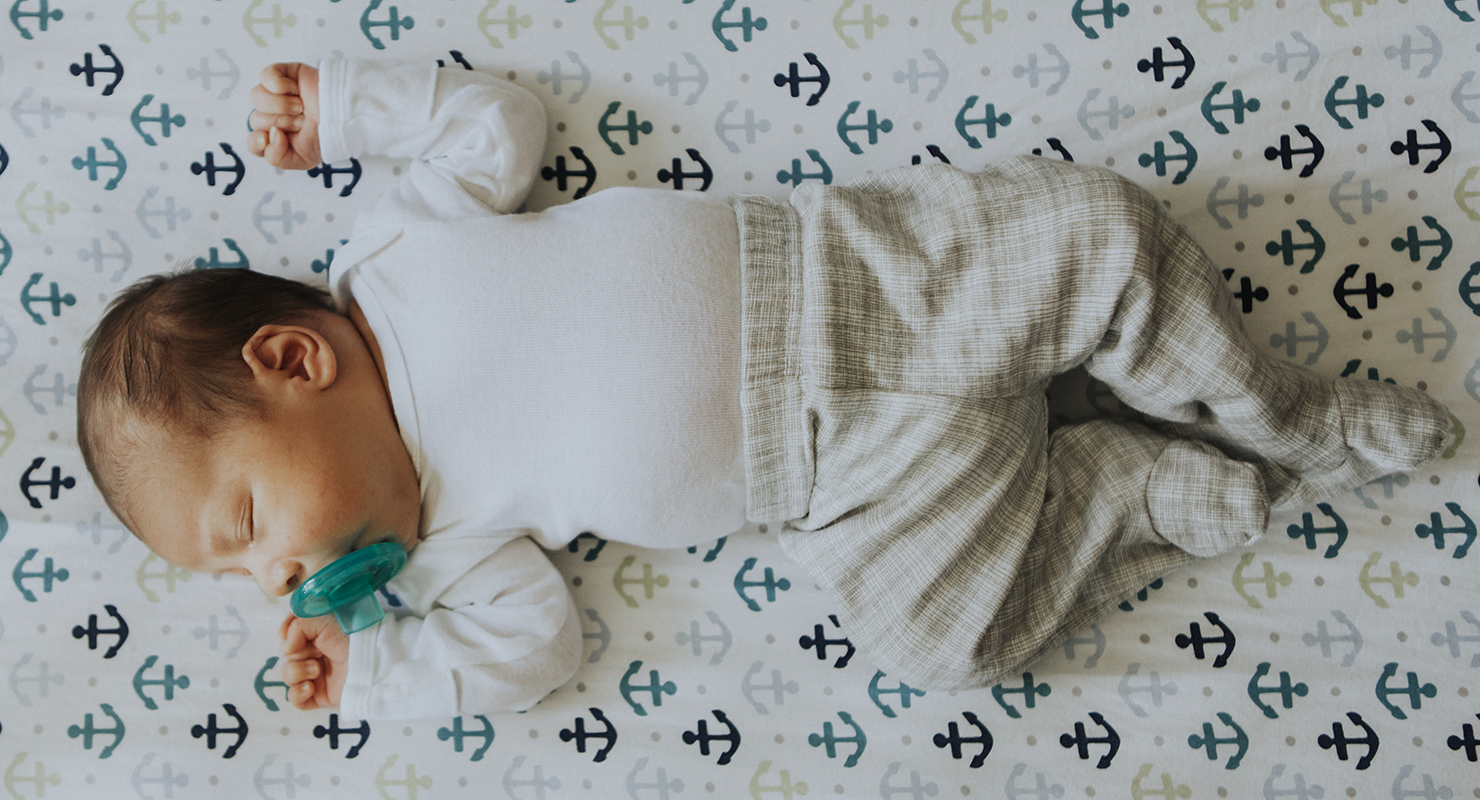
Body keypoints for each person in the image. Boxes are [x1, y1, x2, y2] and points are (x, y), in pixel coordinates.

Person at [75, 59, 1452, 721]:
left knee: (1103, 229)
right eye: (240, 575)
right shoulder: (443, 556)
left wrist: (348, 115)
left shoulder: (395, 247)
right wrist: (383, 658)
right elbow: (540, 654)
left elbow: (501, 127)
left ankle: (1290, 414)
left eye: (246, 522)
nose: (273, 578)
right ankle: (1124, 493)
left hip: (862, 280)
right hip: (847, 486)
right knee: (943, 640)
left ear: (292, 361)